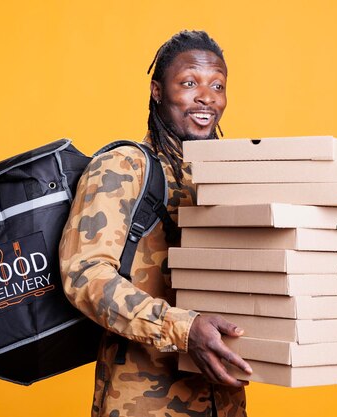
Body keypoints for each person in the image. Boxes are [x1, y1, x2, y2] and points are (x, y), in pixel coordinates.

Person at [58, 30, 251, 417]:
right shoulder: (124, 166)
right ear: (157, 91)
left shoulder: (219, 177)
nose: (207, 97)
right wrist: (184, 328)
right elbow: (84, 275)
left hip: (223, 401)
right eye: (189, 83)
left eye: (217, 85)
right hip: (144, 403)